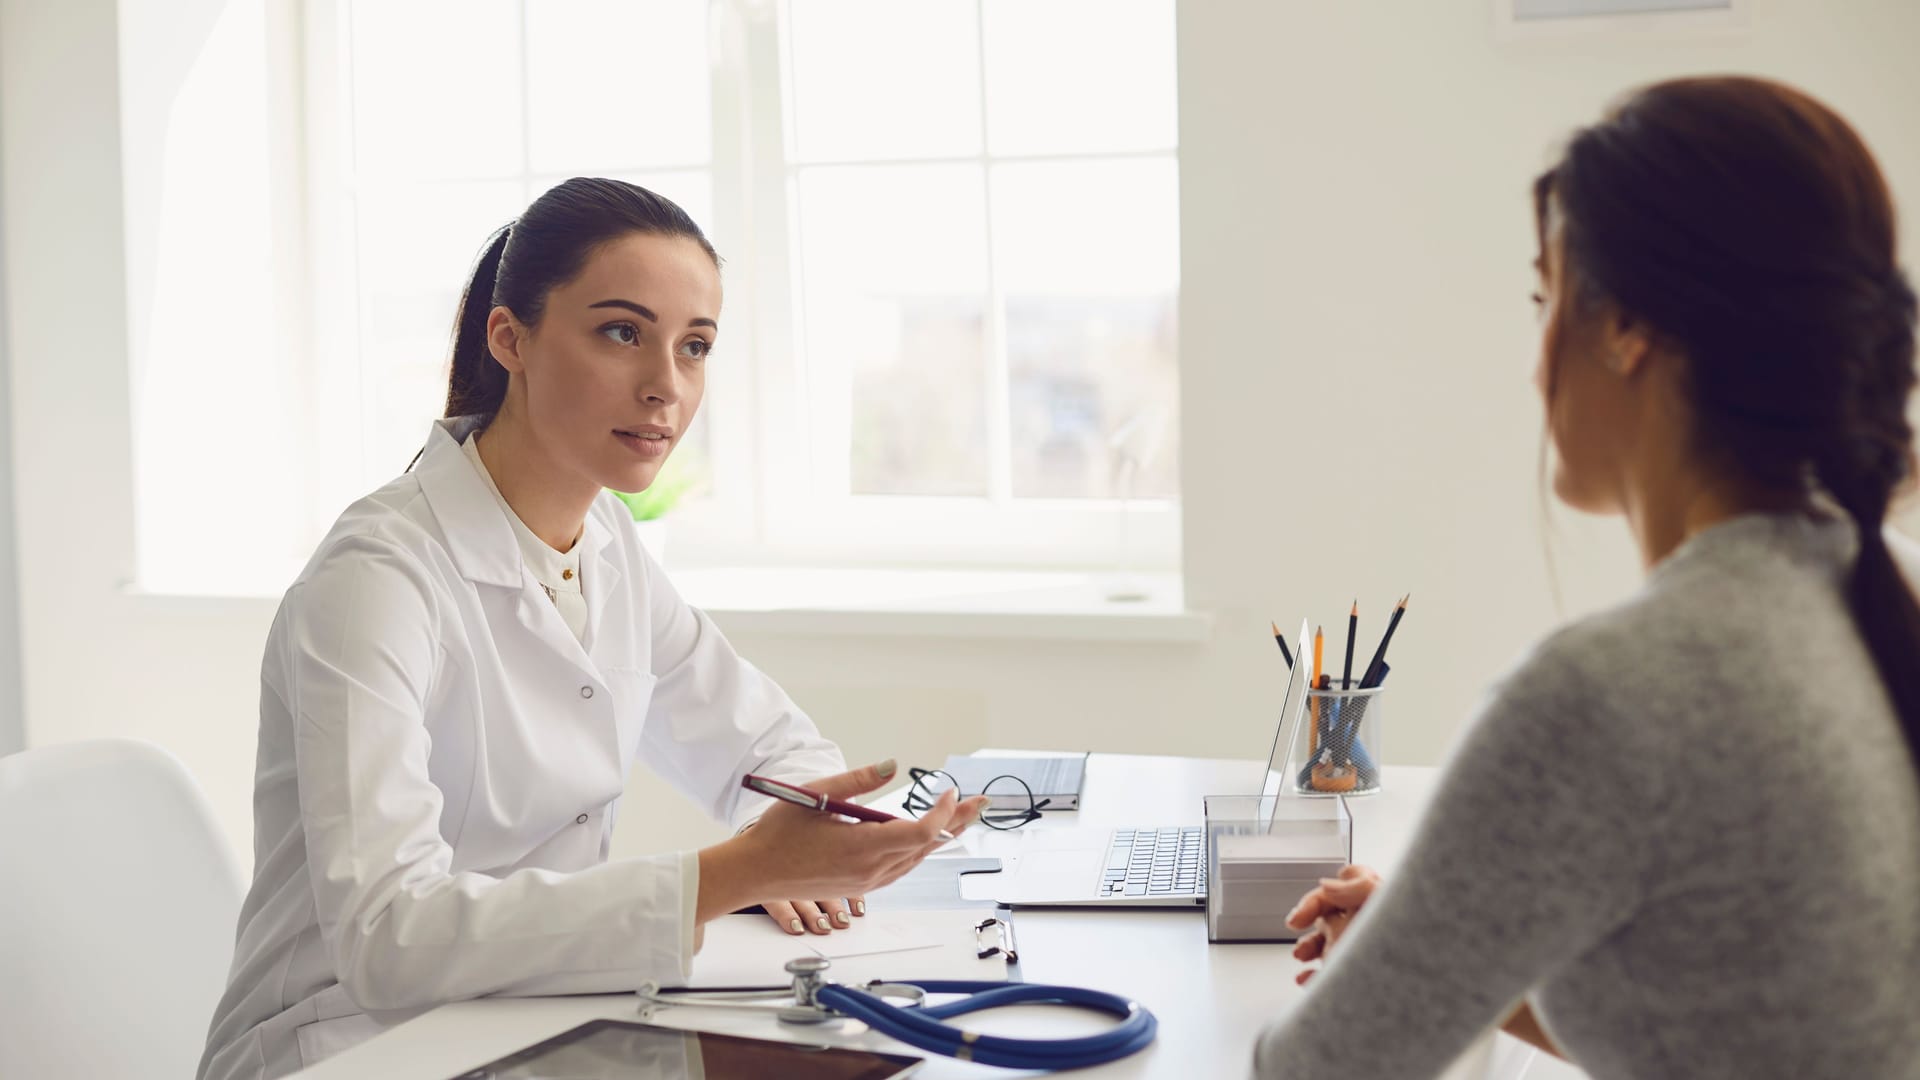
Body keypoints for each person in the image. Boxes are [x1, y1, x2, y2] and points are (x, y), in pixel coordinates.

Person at [197, 178, 987, 1080]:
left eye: (694, 348)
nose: (666, 386)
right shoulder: (376, 580)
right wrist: (734, 876)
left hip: (539, 1021)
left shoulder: (603, 538)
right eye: (622, 332)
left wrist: (817, 833)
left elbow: (760, 743)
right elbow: (388, 937)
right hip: (351, 1045)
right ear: (511, 339)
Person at [1256, 77, 1920, 1078]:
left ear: (1626, 328)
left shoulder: (1608, 693)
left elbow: (1312, 1071)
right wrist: (1451, 958)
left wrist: (1422, 971)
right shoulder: (1885, 598)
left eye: (1544, 299)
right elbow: (1739, 1032)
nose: (1534, 362)